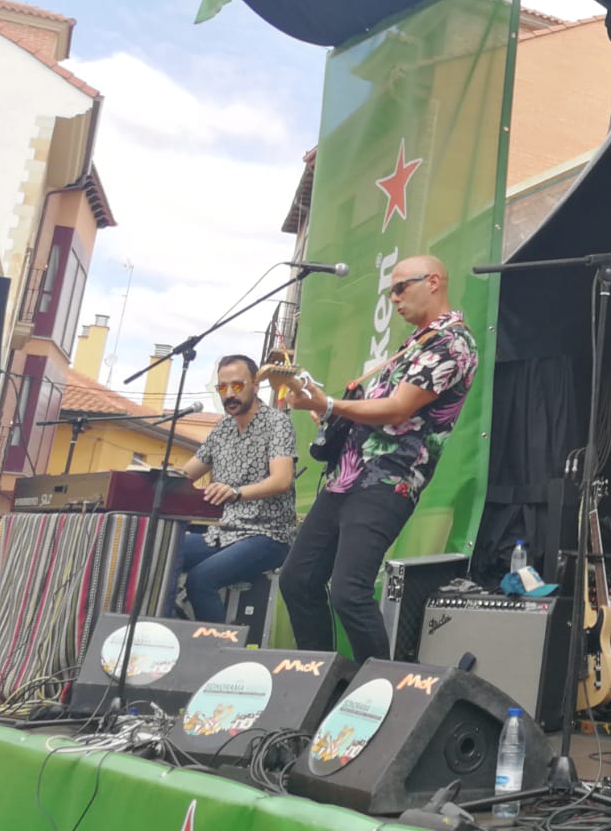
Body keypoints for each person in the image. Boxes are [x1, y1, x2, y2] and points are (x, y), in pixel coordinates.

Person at [279, 255, 478, 664]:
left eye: (401, 287)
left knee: (350, 592)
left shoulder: (453, 342)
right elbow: (377, 413)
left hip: (389, 482)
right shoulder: (416, 342)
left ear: (435, 282)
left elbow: (399, 409)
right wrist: (326, 409)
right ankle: (316, 683)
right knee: (297, 579)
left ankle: (378, 693)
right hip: (347, 477)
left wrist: (331, 402)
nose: (395, 298)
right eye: (391, 290)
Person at [166, 355, 296, 622]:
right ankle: (166, 631)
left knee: (201, 580)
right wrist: (156, 478)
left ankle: (215, 653)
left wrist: (237, 492)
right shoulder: (222, 429)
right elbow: (187, 474)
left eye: (236, 386)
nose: (229, 394)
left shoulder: (277, 423)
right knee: (160, 553)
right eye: (222, 388)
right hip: (221, 533)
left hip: (267, 535)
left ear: (255, 385)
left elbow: (282, 479)